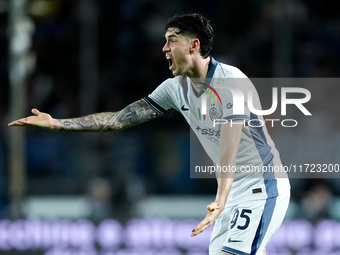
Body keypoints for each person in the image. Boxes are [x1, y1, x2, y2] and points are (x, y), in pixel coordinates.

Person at [9, 13, 290, 255]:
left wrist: (220, 198)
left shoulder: (231, 81)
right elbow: (119, 120)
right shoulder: (174, 88)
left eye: (172, 40)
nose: (164, 48)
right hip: (230, 194)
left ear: (194, 45)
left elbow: (230, 143)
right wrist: (59, 123)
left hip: (261, 187)